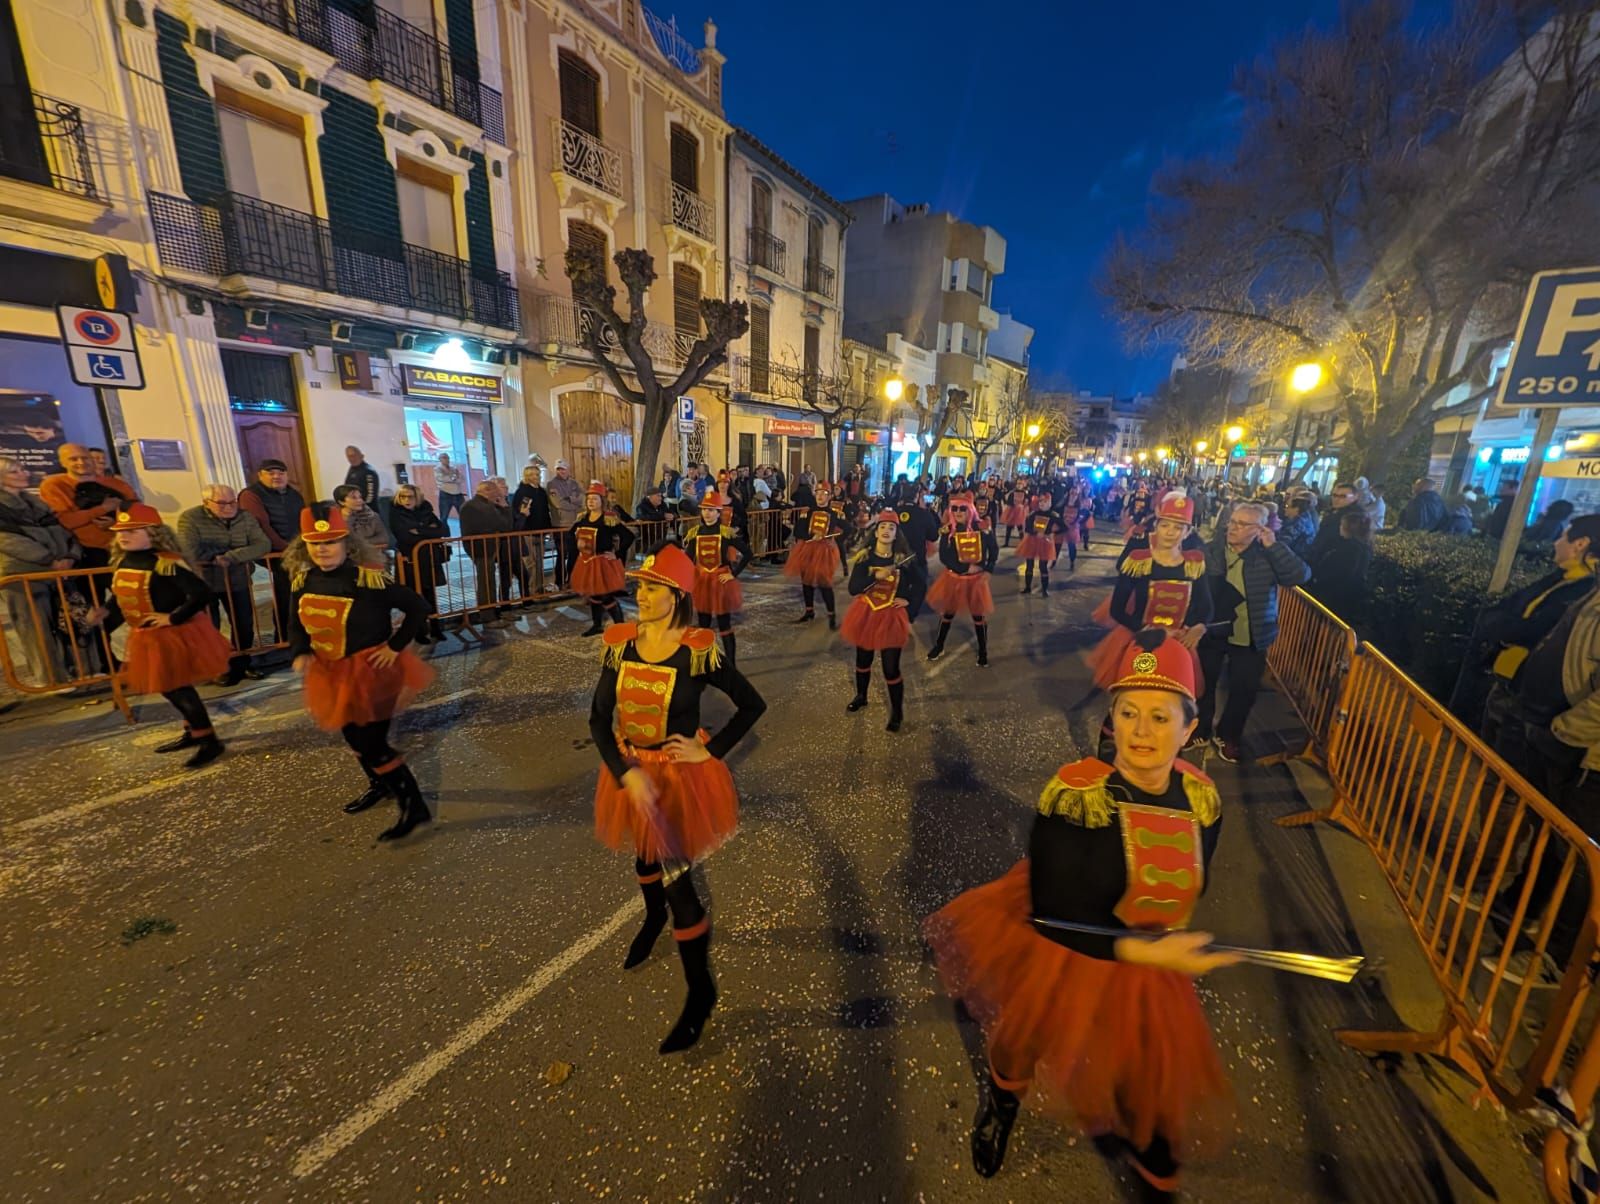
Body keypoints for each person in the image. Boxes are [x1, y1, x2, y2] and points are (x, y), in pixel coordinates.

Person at [924, 629, 1236, 1187]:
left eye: (1161, 718)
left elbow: (1193, 883)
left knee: (1151, 1091)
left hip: (1151, 962)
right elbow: (1053, 916)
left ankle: (1154, 1176)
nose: (1141, 731)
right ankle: (1001, 1108)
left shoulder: (1202, 800)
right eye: (1128, 713)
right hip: (1066, 949)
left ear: (1189, 730)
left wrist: (1168, 941)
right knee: (1024, 1038)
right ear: (1110, 720)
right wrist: (1145, 947)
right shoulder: (1076, 796)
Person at [588, 542, 765, 1052]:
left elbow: (753, 704)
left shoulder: (698, 650)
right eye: (639, 585)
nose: (640, 594)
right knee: (643, 859)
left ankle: (700, 992)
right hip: (631, 773)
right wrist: (625, 774)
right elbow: (598, 720)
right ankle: (651, 917)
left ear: (677, 596)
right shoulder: (621, 643)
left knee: (680, 887)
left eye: (651, 587)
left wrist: (711, 754)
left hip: (678, 780)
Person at [286, 503, 434, 840]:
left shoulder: (368, 580)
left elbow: (417, 608)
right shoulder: (302, 580)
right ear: (305, 547)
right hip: (330, 673)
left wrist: (394, 646)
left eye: (331, 542)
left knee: (372, 742)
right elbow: (294, 624)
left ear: (347, 545)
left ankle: (414, 806)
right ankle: (380, 784)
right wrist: (300, 651)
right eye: (315, 543)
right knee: (352, 736)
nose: (322, 549)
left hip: (372, 672)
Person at [84, 504, 232, 767]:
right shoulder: (123, 561)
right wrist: (106, 613)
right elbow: (122, 598)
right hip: (146, 636)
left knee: (177, 689)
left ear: (153, 533)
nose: (124, 536)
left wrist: (172, 618)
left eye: (133, 530)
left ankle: (209, 740)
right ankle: (193, 732)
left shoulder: (165, 562)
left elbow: (202, 594)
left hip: (173, 636)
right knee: (172, 688)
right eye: (120, 531)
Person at [1451, 514, 1600, 731]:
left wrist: (1505, 628)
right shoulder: (1562, 579)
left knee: (1499, 754)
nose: (1556, 542)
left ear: (1580, 544)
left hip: (1531, 697)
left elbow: (1535, 629)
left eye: (1563, 537)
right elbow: (1506, 609)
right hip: (1511, 681)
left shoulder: (1583, 590)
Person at [1197, 501, 1311, 762]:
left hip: (1252, 632)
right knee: (1204, 683)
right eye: (1232, 521)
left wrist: (1273, 546)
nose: (1233, 527)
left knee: (1244, 689)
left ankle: (1228, 736)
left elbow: (1300, 575)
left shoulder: (1267, 554)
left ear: (1260, 529)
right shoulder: (1212, 550)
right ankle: (1200, 729)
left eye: (1242, 524)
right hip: (1212, 630)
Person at [1088, 490, 1211, 692]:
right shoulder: (1139, 560)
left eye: (1178, 527)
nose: (1170, 532)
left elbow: (1206, 606)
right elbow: (1117, 609)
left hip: (1179, 643)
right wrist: (1149, 630)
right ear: (1157, 526)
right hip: (1139, 639)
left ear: (1187, 533)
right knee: (1131, 696)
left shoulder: (1194, 563)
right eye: (1165, 525)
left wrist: (1200, 627)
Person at [177, 485, 271, 685]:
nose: (229, 507)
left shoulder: (245, 517)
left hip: (237, 578)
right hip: (204, 582)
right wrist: (214, 556)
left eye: (232, 502)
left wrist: (231, 555)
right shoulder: (190, 518)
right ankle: (217, 667)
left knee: (244, 624)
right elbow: (188, 548)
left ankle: (243, 663)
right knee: (210, 627)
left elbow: (262, 544)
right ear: (206, 503)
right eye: (221, 503)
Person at [841, 511, 924, 732]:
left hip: (891, 617)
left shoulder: (904, 559)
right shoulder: (865, 557)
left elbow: (921, 585)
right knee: (863, 659)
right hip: (867, 613)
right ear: (876, 531)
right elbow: (853, 589)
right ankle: (861, 695)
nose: (887, 531)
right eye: (883, 527)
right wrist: (874, 577)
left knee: (890, 668)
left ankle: (897, 712)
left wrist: (909, 603)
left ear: (897, 533)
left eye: (891, 528)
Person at [0, 455, 79, 685]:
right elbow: (8, 541)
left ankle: (76, 670)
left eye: (22, 469)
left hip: (55, 571)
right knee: (35, 627)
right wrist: (48, 559)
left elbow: (60, 530)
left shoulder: (35, 503)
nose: (23, 474)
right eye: (15, 471)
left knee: (66, 622)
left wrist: (69, 555)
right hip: (23, 573)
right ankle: (50, 678)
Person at [38, 442, 137, 576]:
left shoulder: (117, 484)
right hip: (86, 553)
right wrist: (103, 508)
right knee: (94, 595)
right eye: (73, 459)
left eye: (85, 458)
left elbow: (140, 514)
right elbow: (65, 521)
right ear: (63, 463)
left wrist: (116, 523)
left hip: (124, 548)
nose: (81, 462)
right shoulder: (54, 485)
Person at [926, 492, 998, 667]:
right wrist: (965, 568)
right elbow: (944, 557)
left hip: (976, 580)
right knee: (948, 613)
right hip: (954, 578)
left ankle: (983, 651)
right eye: (955, 508)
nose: (958, 512)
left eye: (962, 508)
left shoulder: (982, 528)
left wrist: (988, 569)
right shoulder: (947, 531)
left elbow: (993, 550)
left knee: (978, 616)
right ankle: (939, 645)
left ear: (970, 510)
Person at [680, 491, 751, 667]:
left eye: (711, 510)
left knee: (724, 624)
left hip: (720, 583)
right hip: (702, 582)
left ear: (719, 513)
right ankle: (704, 662)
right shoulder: (695, 533)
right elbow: (688, 561)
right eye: (704, 509)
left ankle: (731, 665)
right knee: (703, 624)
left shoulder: (725, 533)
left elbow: (748, 553)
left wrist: (733, 574)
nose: (707, 513)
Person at [239, 459, 306, 641]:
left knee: (300, 593)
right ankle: (284, 638)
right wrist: (285, 548)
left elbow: (303, 520)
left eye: (281, 472)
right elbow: (260, 525)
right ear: (260, 475)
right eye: (271, 473)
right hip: (275, 552)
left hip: (296, 551)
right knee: (286, 596)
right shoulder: (251, 495)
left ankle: (300, 635)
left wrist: (302, 545)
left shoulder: (294, 494)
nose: (276, 476)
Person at [567, 483, 635, 636]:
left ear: (601, 501)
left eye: (595, 499)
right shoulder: (582, 518)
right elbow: (570, 535)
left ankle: (620, 626)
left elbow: (628, 536)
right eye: (589, 499)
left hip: (602, 563)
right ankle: (597, 625)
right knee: (593, 595)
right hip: (586, 562)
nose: (591, 501)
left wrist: (616, 554)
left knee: (605, 595)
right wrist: (576, 544)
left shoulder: (608, 519)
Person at [388, 483, 449, 645]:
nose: (406, 500)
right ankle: (419, 631)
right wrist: (427, 530)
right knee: (415, 597)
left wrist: (419, 530)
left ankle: (436, 628)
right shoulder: (396, 512)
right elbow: (405, 537)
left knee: (431, 594)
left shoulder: (425, 509)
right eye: (403, 496)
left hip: (428, 558)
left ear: (417, 497)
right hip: (410, 560)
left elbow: (441, 530)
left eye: (410, 496)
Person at [783, 480, 846, 628]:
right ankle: (809, 611)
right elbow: (798, 531)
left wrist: (834, 539)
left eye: (824, 493)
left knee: (825, 583)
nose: (820, 496)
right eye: (817, 493)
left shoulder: (834, 513)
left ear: (829, 496)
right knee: (806, 581)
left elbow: (848, 529)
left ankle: (831, 615)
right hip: (807, 549)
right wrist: (810, 537)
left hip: (824, 551)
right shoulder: (808, 511)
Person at [459, 480, 512, 628]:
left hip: (485, 548)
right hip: (482, 549)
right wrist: (504, 506)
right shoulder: (480, 506)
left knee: (489, 582)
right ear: (488, 491)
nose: (498, 496)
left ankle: (491, 614)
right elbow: (504, 525)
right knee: (486, 583)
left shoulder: (475, 505)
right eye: (496, 493)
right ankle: (488, 617)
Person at [1307, 510, 1373, 626]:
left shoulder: (1346, 549)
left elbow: (1335, 572)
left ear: (1347, 528)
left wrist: (1317, 579)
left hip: (1332, 597)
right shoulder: (1364, 547)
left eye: (1341, 525)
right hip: (1347, 598)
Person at [1015, 491, 1063, 596]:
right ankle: (1027, 587)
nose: (1042, 503)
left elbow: (1064, 527)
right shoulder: (1033, 514)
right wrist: (1035, 533)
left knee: (1043, 566)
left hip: (1045, 543)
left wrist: (1051, 533)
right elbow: (1027, 528)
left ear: (1049, 502)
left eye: (1045, 501)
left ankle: (1044, 590)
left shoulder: (1053, 515)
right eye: (1040, 501)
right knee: (1029, 565)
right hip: (1032, 541)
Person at [333, 484, 391, 554]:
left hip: (372, 555)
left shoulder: (373, 516)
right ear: (341, 502)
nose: (360, 500)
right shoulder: (334, 520)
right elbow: (341, 544)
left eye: (360, 497)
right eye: (354, 498)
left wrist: (359, 544)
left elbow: (384, 538)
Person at [547, 458, 584, 530]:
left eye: (563, 469)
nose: (560, 471)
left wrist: (570, 499)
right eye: (558, 469)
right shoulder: (551, 484)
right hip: (560, 524)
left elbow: (582, 498)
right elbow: (558, 503)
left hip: (576, 521)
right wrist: (576, 507)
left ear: (568, 470)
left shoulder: (574, 483)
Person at [1278, 495, 1318, 560]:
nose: (1285, 509)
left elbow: (1283, 543)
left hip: (1294, 558)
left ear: (1296, 509)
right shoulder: (1305, 518)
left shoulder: (1298, 523)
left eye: (1287, 506)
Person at [434, 453, 466, 523]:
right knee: (444, 517)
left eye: (448, 458)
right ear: (440, 459)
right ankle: (445, 533)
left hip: (458, 494)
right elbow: (443, 478)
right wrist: (454, 478)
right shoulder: (437, 469)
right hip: (446, 494)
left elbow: (462, 479)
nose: (447, 459)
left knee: (464, 515)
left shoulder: (453, 468)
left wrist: (453, 479)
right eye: (444, 458)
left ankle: (466, 532)